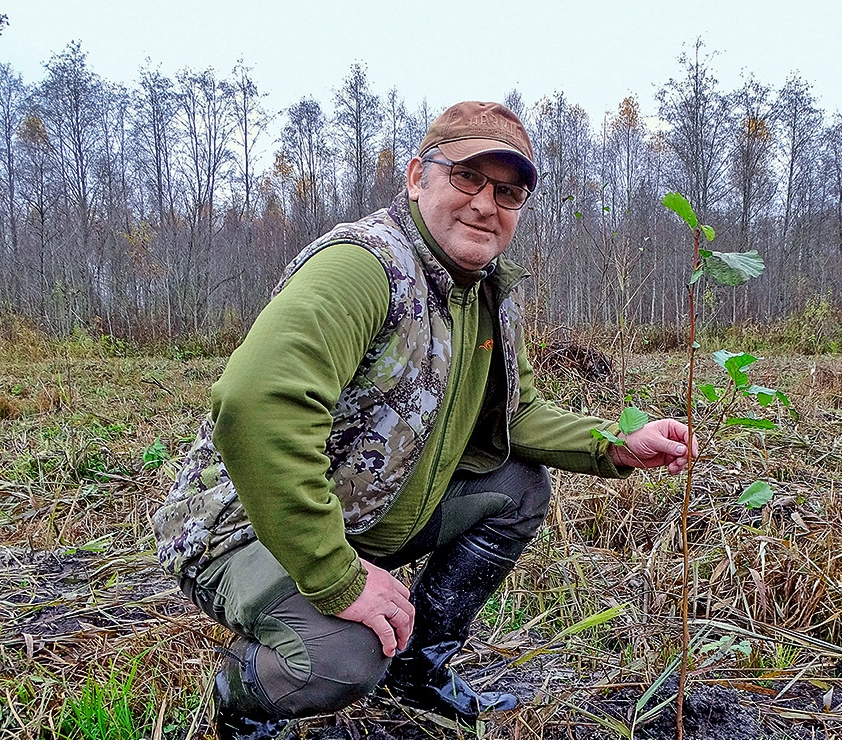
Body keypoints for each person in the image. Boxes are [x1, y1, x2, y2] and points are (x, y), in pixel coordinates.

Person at [152, 100, 697, 740]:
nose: (486, 205)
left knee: (515, 486)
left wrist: (615, 443)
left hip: (363, 512)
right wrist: (337, 579)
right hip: (246, 526)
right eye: (467, 178)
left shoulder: (484, 289)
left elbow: (511, 413)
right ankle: (243, 701)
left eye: (508, 192)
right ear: (417, 178)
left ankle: (422, 665)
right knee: (343, 660)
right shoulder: (363, 265)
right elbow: (254, 404)